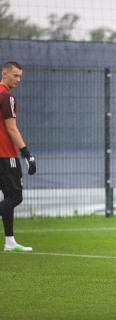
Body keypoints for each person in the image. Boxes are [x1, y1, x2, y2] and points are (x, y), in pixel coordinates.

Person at [0, 61, 36, 252]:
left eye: (20, 76)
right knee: (15, 197)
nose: (18, 80)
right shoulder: (7, 97)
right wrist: (27, 154)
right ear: (4, 73)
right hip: (5, 155)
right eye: (15, 75)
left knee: (7, 196)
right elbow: (11, 128)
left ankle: (10, 241)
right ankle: (10, 241)